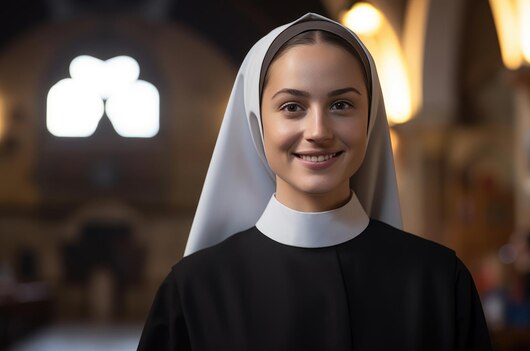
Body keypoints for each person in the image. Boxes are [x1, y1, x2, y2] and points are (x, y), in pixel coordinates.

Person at [138, 13, 492, 350]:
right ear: (256, 120)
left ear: (370, 118)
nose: (319, 132)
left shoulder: (440, 282)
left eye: (341, 105)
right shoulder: (194, 290)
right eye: (292, 107)